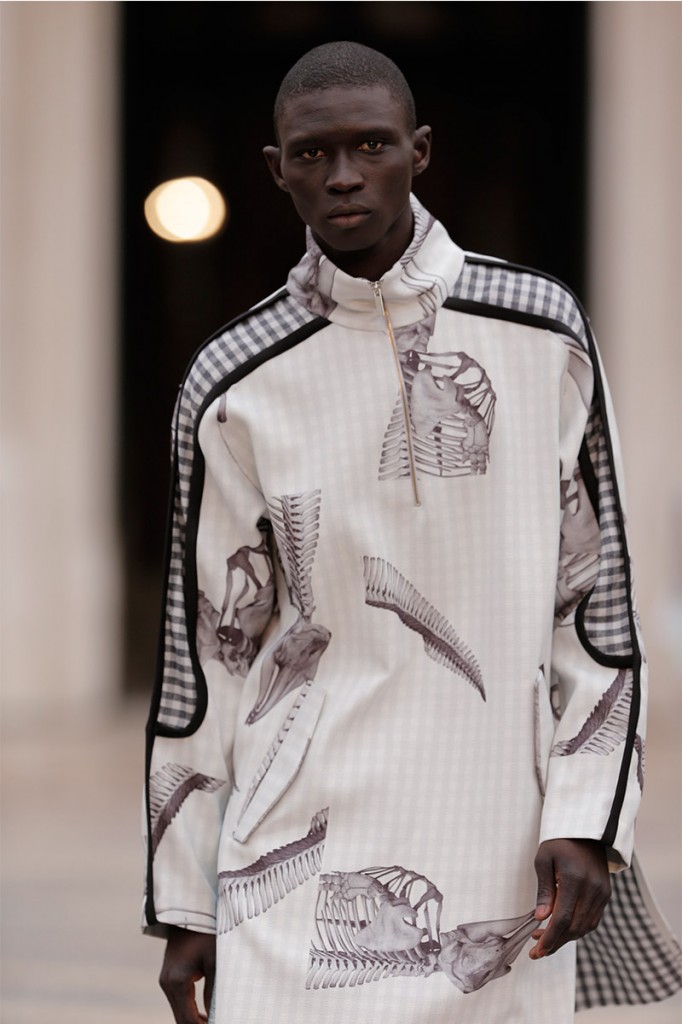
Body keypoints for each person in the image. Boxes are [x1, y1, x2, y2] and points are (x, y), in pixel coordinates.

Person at [143, 40, 681, 1024]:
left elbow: (596, 610)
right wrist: (187, 899)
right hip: (292, 857)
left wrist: (588, 817)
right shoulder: (235, 377)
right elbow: (208, 656)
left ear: (419, 151)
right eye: (313, 154)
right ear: (275, 169)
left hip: (498, 848)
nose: (344, 175)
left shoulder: (540, 332)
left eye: (371, 145)